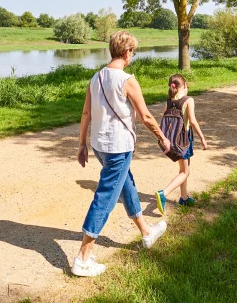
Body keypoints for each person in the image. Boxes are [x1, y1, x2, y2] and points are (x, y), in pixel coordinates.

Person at [72, 31, 171, 278]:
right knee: (105, 197)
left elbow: (86, 114)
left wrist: (82, 144)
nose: (132, 56)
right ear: (127, 53)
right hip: (118, 147)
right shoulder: (127, 80)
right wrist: (162, 137)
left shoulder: (95, 78)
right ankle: (83, 258)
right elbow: (146, 116)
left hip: (100, 146)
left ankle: (146, 233)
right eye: (133, 52)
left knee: (126, 184)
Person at [155, 74, 208, 214]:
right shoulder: (188, 100)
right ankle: (163, 193)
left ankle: (184, 198)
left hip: (173, 139)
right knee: (185, 172)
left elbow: (164, 117)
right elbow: (193, 121)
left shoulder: (169, 100)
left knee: (183, 169)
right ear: (184, 85)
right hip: (184, 140)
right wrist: (202, 138)